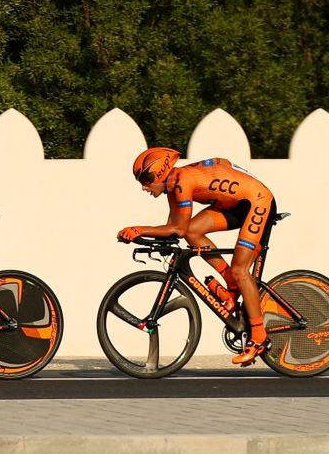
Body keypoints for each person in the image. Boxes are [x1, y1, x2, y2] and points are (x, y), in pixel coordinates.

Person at [117, 147, 277, 365]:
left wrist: (140, 229)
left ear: (161, 173)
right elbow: (175, 228)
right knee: (194, 231)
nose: (144, 187)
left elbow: (177, 230)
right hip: (236, 204)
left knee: (240, 270)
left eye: (146, 180)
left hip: (257, 202)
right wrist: (143, 235)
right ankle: (230, 283)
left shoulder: (182, 183)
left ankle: (259, 337)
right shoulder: (174, 186)